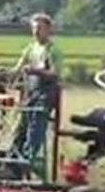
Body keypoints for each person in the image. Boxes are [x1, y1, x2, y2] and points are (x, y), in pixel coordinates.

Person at [6, 13, 63, 168]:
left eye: (39, 28)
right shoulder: (30, 49)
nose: (36, 32)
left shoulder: (53, 50)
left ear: (48, 30)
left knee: (35, 127)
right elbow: (17, 69)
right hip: (31, 93)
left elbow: (55, 74)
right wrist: (4, 73)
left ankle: (27, 160)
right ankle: (12, 160)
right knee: (21, 128)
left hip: (45, 94)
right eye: (34, 28)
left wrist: (35, 71)